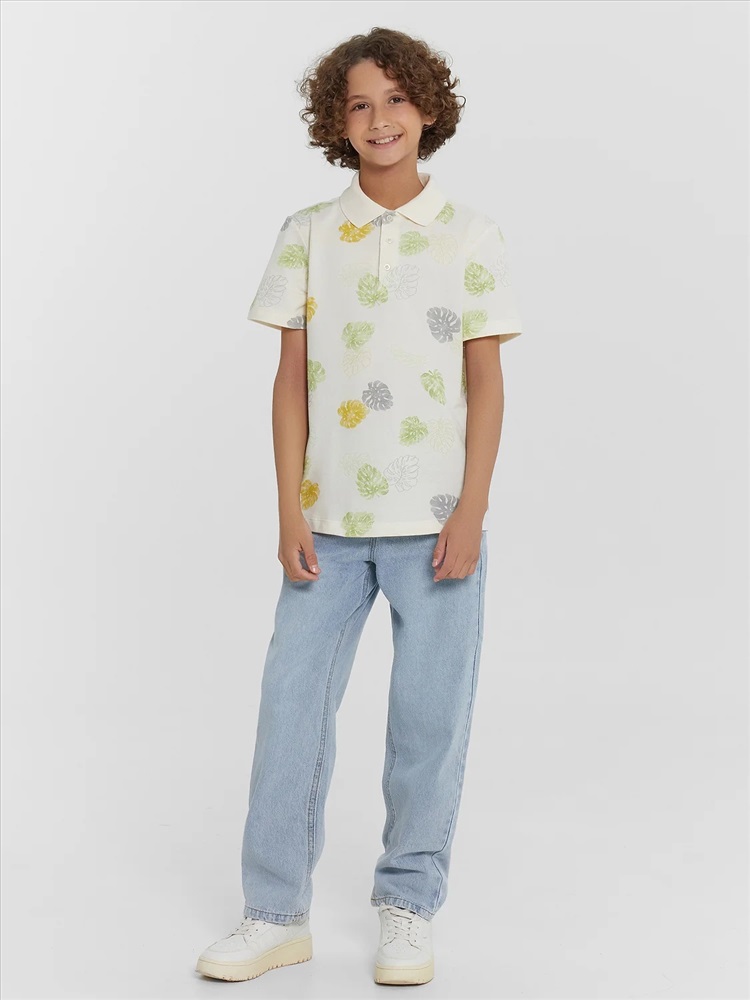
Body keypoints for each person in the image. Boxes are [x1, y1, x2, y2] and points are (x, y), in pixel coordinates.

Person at [196, 25, 523, 987]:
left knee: (428, 724)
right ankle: (274, 914)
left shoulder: (471, 233)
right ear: (336, 123)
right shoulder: (306, 232)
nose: (379, 119)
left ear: (428, 109)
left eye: (396, 99)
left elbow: (486, 383)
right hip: (328, 528)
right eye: (358, 104)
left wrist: (471, 511)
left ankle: (408, 905)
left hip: (437, 525)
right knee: (290, 713)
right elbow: (290, 383)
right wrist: (287, 510)